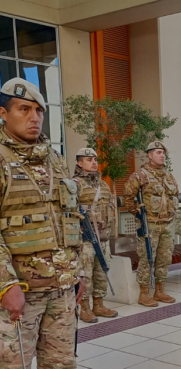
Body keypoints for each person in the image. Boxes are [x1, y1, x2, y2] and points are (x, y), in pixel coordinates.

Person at [0, 77, 85, 368]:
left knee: (61, 364)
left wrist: (79, 271)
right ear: (3, 113)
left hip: (61, 291)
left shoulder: (55, 159)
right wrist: (6, 284)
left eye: (39, 111)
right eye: (24, 109)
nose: (34, 117)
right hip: (19, 294)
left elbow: (71, 217)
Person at [123, 141, 178, 307]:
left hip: (167, 224)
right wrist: (137, 212)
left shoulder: (168, 175)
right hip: (150, 225)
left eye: (163, 152)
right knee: (147, 258)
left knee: (164, 258)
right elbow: (127, 196)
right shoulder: (140, 175)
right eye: (158, 152)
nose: (162, 155)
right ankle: (144, 293)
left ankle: (159, 290)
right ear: (149, 155)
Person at [73, 148, 118, 323]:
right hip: (85, 239)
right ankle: (84, 307)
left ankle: (98, 304)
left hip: (103, 238)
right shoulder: (74, 184)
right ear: (79, 162)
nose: (93, 162)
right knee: (86, 274)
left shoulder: (103, 185)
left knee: (101, 273)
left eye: (95, 159)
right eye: (88, 159)